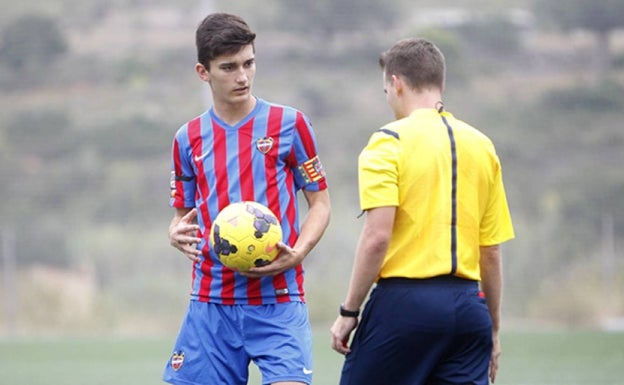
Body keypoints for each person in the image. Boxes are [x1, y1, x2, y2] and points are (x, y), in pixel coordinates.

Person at [330, 38, 514, 385]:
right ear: (440, 83)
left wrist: (349, 311)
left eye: (385, 89)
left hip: (405, 306)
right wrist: (493, 328)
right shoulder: (482, 146)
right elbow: (490, 252)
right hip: (470, 309)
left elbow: (377, 237)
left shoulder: (388, 142)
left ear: (396, 83)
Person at [164, 13, 331, 385]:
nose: (242, 76)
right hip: (211, 303)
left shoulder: (290, 125)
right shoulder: (187, 139)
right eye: (229, 67)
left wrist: (299, 250)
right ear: (202, 72)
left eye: (248, 63)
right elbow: (183, 218)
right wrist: (175, 232)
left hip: (279, 298)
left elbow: (320, 203)